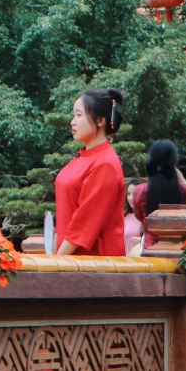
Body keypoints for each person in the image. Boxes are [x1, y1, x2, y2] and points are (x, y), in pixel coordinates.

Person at [54, 89, 127, 256]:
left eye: (79, 115)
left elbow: (85, 223)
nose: (73, 122)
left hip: (95, 262)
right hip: (71, 259)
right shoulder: (83, 156)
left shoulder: (105, 163)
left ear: (100, 120)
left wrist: (58, 260)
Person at [133, 139, 186, 251]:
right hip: (180, 248)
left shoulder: (140, 190)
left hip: (150, 247)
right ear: (174, 161)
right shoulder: (184, 191)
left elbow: (139, 217)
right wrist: (181, 178)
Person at [123, 178, 146, 256]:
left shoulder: (152, 219)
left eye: (135, 194)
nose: (131, 198)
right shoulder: (124, 217)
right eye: (128, 194)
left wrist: (143, 242)